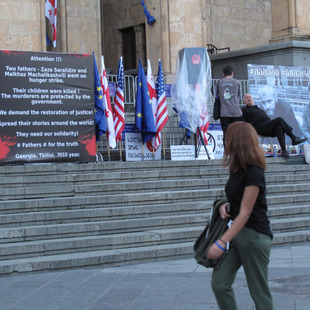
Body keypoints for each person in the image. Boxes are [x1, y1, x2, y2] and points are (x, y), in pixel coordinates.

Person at [206, 121, 274, 310]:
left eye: (228, 139)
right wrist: (225, 205)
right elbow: (237, 201)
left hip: (254, 236)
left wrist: (220, 242)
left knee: (259, 293)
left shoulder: (254, 173)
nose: (225, 142)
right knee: (220, 283)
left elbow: (245, 213)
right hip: (236, 234)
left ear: (238, 142)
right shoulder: (236, 169)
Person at [242, 93, 306, 159]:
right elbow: (243, 123)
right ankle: (293, 138)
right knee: (279, 119)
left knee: (279, 128)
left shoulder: (259, 109)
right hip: (259, 129)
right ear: (244, 101)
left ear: (253, 99)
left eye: (250, 97)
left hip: (267, 127)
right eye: (246, 98)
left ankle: (284, 151)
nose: (248, 98)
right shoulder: (244, 110)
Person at [217, 65, 243, 146]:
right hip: (236, 112)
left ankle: (227, 153)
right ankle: (237, 153)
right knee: (237, 134)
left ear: (223, 74)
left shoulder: (219, 82)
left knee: (226, 134)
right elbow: (239, 95)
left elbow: (217, 95)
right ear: (232, 73)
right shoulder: (237, 82)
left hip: (224, 112)